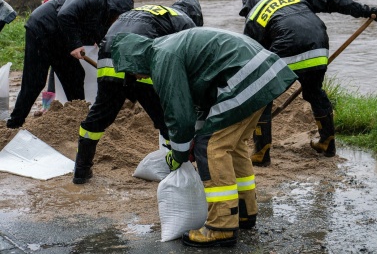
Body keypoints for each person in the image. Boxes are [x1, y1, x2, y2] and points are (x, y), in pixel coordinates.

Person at [110, 27, 297, 247]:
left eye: (132, 74)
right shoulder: (167, 47)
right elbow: (199, 109)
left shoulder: (162, 59)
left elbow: (179, 115)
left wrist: (178, 154)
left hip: (247, 77)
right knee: (232, 146)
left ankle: (221, 227)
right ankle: (245, 211)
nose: (138, 78)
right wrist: (189, 143)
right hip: (264, 72)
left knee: (211, 148)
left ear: (134, 62)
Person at [239, 0, 377, 166]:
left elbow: (251, 55)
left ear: (248, 4)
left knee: (262, 98)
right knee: (314, 92)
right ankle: (327, 143)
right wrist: (365, 10)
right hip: (319, 47)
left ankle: (261, 153)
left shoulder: (254, 16)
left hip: (287, 49)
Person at [72, 0, 203, 184]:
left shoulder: (152, 11)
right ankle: (176, 171)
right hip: (141, 59)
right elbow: (188, 62)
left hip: (109, 56)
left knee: (100, 116)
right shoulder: (185, 21)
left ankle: (81, 171)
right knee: (166, 117)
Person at [6, 0, 133, 129]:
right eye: (118, 16)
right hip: (42, 29)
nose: (117, 20)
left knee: (75, 76)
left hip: (59, 39)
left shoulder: (105, 19)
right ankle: (14, 124)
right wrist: (75, 44)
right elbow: (65, 15)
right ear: (113, 8)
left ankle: (78, 118)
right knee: (34, 82)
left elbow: (106, 45)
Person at [35, 0, 96, 116]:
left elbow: (91, 19)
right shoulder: (57, 1)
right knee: (55, 66)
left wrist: (94, 37)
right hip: (57, 29)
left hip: (72, 24)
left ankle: (57, 104)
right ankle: (47, 105)